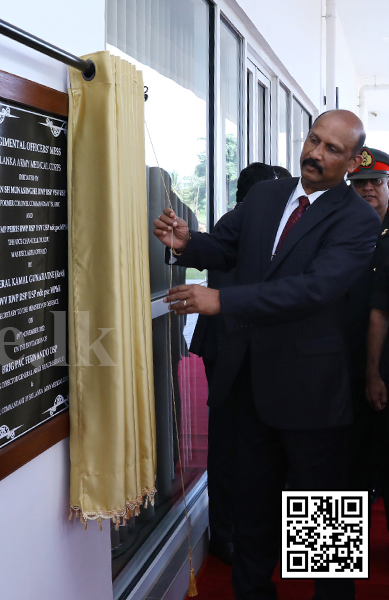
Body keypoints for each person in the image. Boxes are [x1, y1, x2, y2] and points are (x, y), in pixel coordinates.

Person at [153, 109, 376, 600]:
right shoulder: (266, 195)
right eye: (314, 141)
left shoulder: (357, 219)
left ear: (352, 159)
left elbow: (314, 289)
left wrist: (222, 300)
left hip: (314, 393)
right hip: (248, 385)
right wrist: (187, 244)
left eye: (332, 149)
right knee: (251, 513)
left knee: (324, 525)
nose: (315, 154)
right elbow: (226, 247)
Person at [189, 162, 278, 566]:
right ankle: (235, 541)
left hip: (318, 368)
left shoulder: (346, 223)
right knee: (235, 443)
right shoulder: (245, 226)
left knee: (319, 463)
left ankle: (319, 566)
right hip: (237, 348)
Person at [353, 147, 389, 528]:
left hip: (385, 368)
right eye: (359, 183)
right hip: (339, 365)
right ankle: (332, 576)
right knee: (339, 466)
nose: (367, 190)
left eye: (375, 182)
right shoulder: (334, 228)